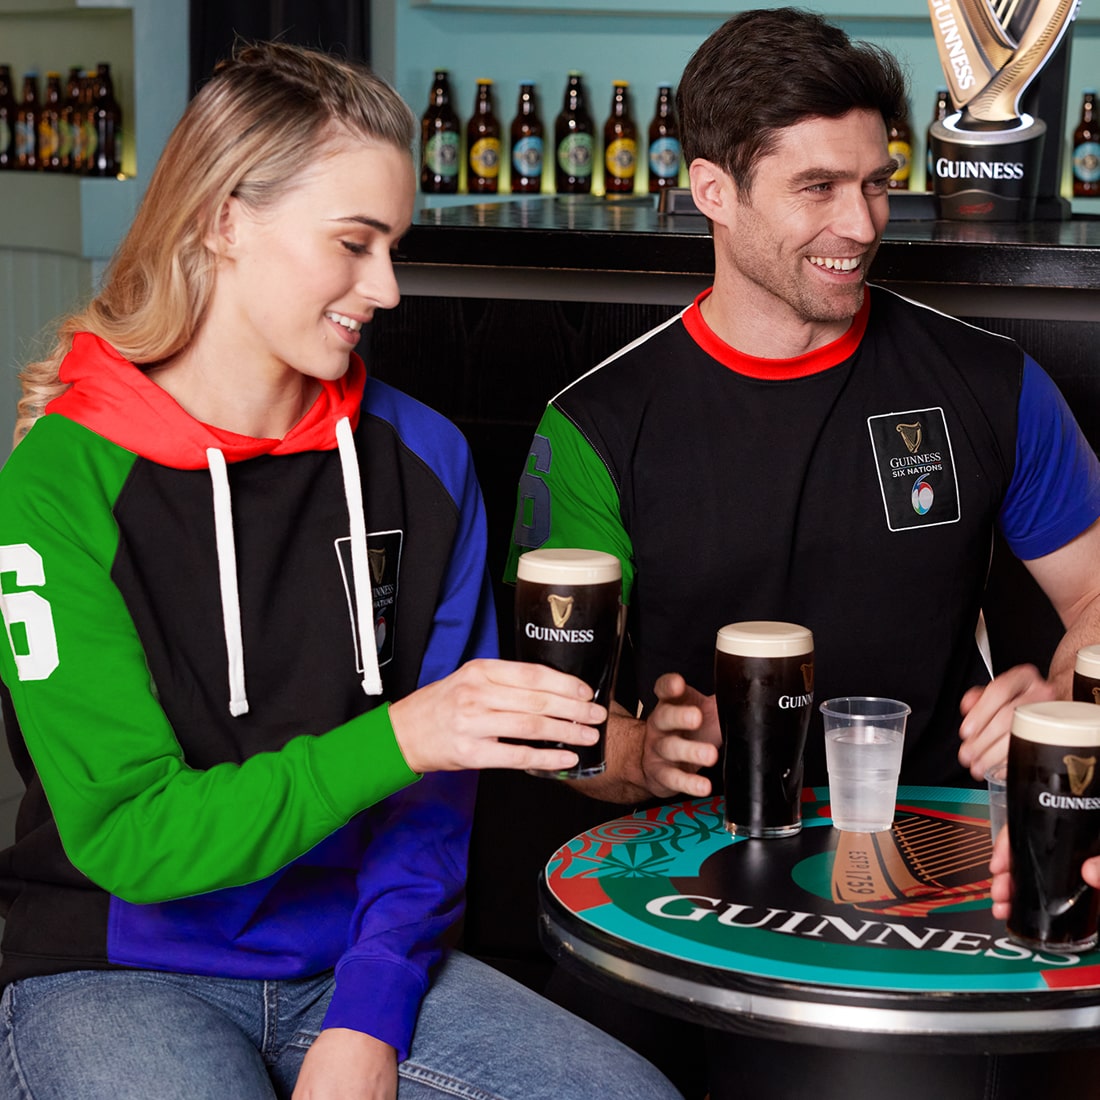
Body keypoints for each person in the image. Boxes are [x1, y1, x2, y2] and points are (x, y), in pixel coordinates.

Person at [0, 43, 683, 1100]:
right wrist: (404, 734)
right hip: (115, 967)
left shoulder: (426, 460)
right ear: (225, 219)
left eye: (394, 245)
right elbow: (131, 834)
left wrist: (369, 1008)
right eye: (353, 244)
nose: (388, 287)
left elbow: (434, 798)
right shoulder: (62, 476)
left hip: (356, 965)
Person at [503, 8, 1100, 1096]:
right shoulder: (596, 424)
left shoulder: (987, 382)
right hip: (676, 881)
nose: (861, 221)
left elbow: (1099, 591)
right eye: (816, 187)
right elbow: (551, 727)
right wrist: (635, 756)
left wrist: (1062, 699)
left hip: (927, 877)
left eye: (875, 181)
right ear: (711, 192)